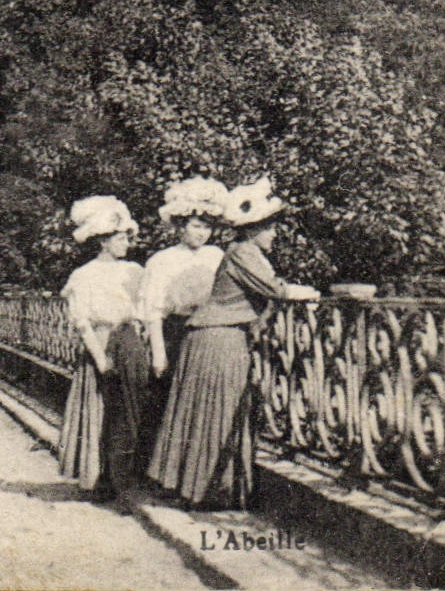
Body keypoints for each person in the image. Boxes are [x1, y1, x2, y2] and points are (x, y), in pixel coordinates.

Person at [146, 178, 319, 508]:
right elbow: (274, 289)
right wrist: (307, 293)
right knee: (217, 413)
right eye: (269, 228)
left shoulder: (245, 252)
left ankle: (204, 489)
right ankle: (206, 491)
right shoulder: (243, 252)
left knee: (213, 413)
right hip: (218, 340)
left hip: (220, 338)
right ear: (253, 229)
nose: (274, 234)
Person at [58, 195, 148, 502]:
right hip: (101, 347)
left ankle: (124, 476)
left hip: (129, 345)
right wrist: (100, 359)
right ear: (104, 241)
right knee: (99, 412)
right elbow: (82, 323)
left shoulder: (134, 272)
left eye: (127, 237)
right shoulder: (84, 276)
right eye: (121, 238)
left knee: (127, 413)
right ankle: (97, 478)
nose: (127, 243)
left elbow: (143, 311)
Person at [137, 177, 228, 459]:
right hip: (174, 332)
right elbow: (153, 309)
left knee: (201, 403)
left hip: (208, 334)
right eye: (196, 226)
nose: (202, 234)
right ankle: (158, 466)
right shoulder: (162, 260)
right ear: (180, 226)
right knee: (167, 399)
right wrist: (158, 353)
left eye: (207, 227)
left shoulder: (216, 256)